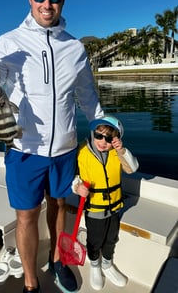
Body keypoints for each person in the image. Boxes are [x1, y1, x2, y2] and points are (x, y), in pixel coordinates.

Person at [0, 0, 103, 293]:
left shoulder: (75, 48)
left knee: (59, 205)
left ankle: (58, 260)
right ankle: (31, 282)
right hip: (23, 150)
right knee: (26, 216)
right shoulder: (9, 42)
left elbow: (88, 97)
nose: (47, 3)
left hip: (65, 150)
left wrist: (105, 127)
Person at [72, 115, 139, 291]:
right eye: (98, 136)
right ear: (92, 134)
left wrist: (122, 151)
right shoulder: (81, 152)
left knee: (111, 238)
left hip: (115, 207)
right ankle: (95, 266)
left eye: (109, 139)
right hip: (94, 208)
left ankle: (107, 265)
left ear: (115, 140)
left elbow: (132, 168)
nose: (103, 142)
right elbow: (73, 177)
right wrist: (77, 187)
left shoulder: (117, 153)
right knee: (94, 240)